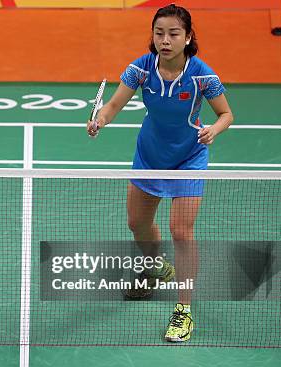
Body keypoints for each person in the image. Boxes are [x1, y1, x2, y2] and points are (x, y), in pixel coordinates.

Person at [87, 4, 233, 342]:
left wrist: (215, 129)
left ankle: (184, 310)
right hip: (150, 154)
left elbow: (226, 113)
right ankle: (156, 269)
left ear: (188, 37)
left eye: (173, 34)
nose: (165, 40)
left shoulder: (202, 75)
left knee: (180, 232)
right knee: (137, 224)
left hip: (188, 157)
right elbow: (112, 106)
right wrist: (100, 122)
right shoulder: (140, 68)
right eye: (159, 33)